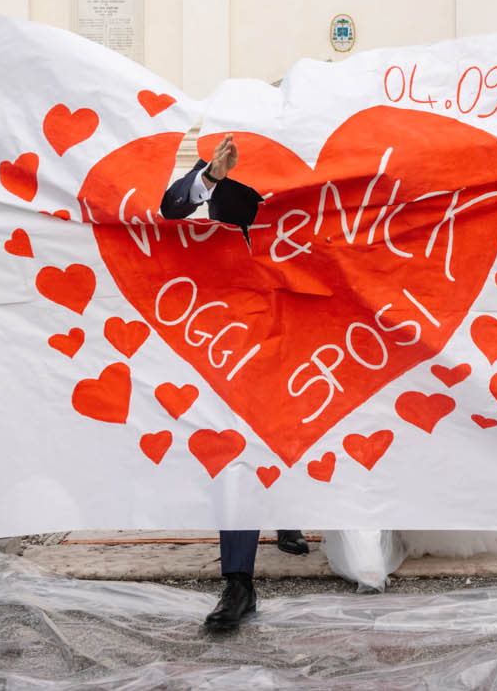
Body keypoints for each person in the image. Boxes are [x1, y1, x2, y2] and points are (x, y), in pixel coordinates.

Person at [157, 133, 309, 634]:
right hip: (240, 328)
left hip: (314, 320)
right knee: (238, 448)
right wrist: (214, 177)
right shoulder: (220, 162)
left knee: (303, 430)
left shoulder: (326, 158)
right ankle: (238, 580)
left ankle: (290, 511)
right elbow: (172, 206)